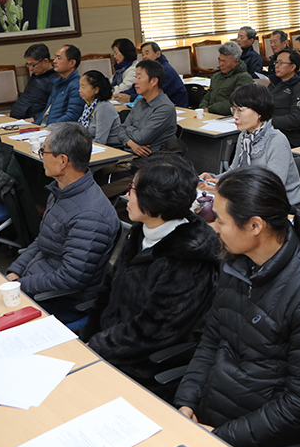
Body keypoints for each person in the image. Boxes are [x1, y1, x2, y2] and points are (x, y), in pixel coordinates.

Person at [174, 167, 300, 447]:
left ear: (255, 226)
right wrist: (185, 403)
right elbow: (212, 340)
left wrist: (219, 438)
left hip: (258, 440)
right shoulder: (237, 262)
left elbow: (299, 405)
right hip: (208, 419)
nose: (214, 227)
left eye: (221, 220)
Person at [83, 155, 220, 397]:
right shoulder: (142, 231)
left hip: (143, 367)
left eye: (133, 189)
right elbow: (108, 289)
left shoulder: (187, 257)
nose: (126, 195)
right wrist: (89, 335)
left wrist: (96, 347)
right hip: (108, 347)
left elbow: (153, 330)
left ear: (155, 200)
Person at [5, 123, 120, 320]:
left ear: (63, 161)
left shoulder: (90, 216)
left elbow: (70, 279)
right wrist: (15, 272)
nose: (40, 157)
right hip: (37, 281)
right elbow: (43, 240)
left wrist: (21, 285)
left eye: (44, 151)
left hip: (61, 301)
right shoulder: (61, 191)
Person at [199, 83, 300, 205]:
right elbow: (234, 171)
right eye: (233, 109)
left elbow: (271, 188)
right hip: (252, 200)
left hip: (281, 205)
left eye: (240, 110)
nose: (235, 116)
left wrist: (226, 189)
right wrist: (213, 178)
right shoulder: (244, 136)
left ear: (259, 111)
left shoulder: (276, 141)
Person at [117, 59, 177, 156]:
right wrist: (131, 143)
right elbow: (120, 129)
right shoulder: (140, 101)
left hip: (151, 161)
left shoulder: (164, 108)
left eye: (139, 78)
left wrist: (128, 129)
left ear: (154, 81)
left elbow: (141, 139)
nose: (135, 82)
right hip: (130, 153)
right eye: (136, 77)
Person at [118, 42, 188, 108]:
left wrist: (130, 98)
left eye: (147, 53)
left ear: (158, 54)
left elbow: (152, 94)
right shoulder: (147, 70)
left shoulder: (165, 71)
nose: (144, 57)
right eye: (142, 54)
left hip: (176, 107)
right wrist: (122, 94)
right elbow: (136, 87)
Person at [268, 49, 300, 147]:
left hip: (289, 136)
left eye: (281, 62)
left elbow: (297, 118)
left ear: (292, 67)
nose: (276, 65)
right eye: (276, 62)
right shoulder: (274, 84)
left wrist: (267, 122)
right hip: (269, 131)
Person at [36, 44, 85, 125]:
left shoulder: (77, 85)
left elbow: (72, 116)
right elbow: (47, 110)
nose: (54, 61)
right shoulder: (57, 82)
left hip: (60, 131)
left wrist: (49, 128)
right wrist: (35, 126)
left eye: (59, 58)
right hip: (48, 128)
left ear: (72, 63)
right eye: (55, 57)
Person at [199, 41, 253, 115]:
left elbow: (236, 102)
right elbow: (208, 95)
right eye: (219, 60)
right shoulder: (216, 76)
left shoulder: (244, 78)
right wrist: (202, 108)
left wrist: (210, 109)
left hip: (228, 117)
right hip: (210, 114)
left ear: (236, 62)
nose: (221, 64)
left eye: (224, 61)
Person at [10, 43, 58, 120]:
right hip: (15, 117)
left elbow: (53, 107)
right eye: (28, 65)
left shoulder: (55, 79)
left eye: (33, 65)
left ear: (45, 61)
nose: (30, 69)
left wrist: (34, 119)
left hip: (30, 120)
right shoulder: (37, 74)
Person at [77, 70, 121, 146]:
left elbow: (100, 141)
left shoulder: (104, 108)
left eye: (83, 87)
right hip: (90, 144)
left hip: (110, 149)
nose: (80, 90)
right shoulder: (90, 104)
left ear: (96, 90)